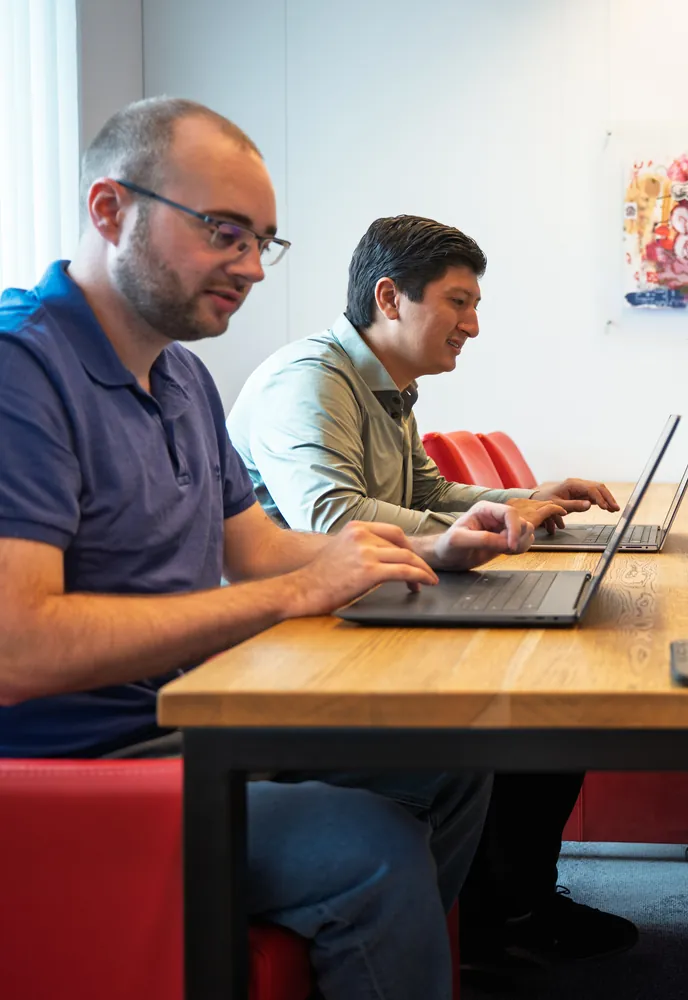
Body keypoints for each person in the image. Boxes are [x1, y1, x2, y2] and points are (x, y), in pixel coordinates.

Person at [0, 97, 549, 999]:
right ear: (110, 210)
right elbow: (17, 648)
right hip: (76, 776)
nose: (251, 266)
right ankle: (371, 920)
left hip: (196, 726)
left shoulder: (180, 374)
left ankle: (380, 958)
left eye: (262, 240)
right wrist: (293, 596)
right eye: (223, 232)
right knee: (371, 847)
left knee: (450, 762)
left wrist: (429, 553)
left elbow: (256, 548)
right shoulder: (23, 371)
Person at [227, 215, 638, 973]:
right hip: (304, 648)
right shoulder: (308, 380)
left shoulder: (387, 388)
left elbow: (427, 488)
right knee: (497, 731)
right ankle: (479, 926)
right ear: (390, 296)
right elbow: (331, 516)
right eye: (458, 302)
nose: (473, 325)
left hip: (369, 614)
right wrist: (453, 539)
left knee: (540, 698)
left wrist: (522, 497)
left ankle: (472, 925)